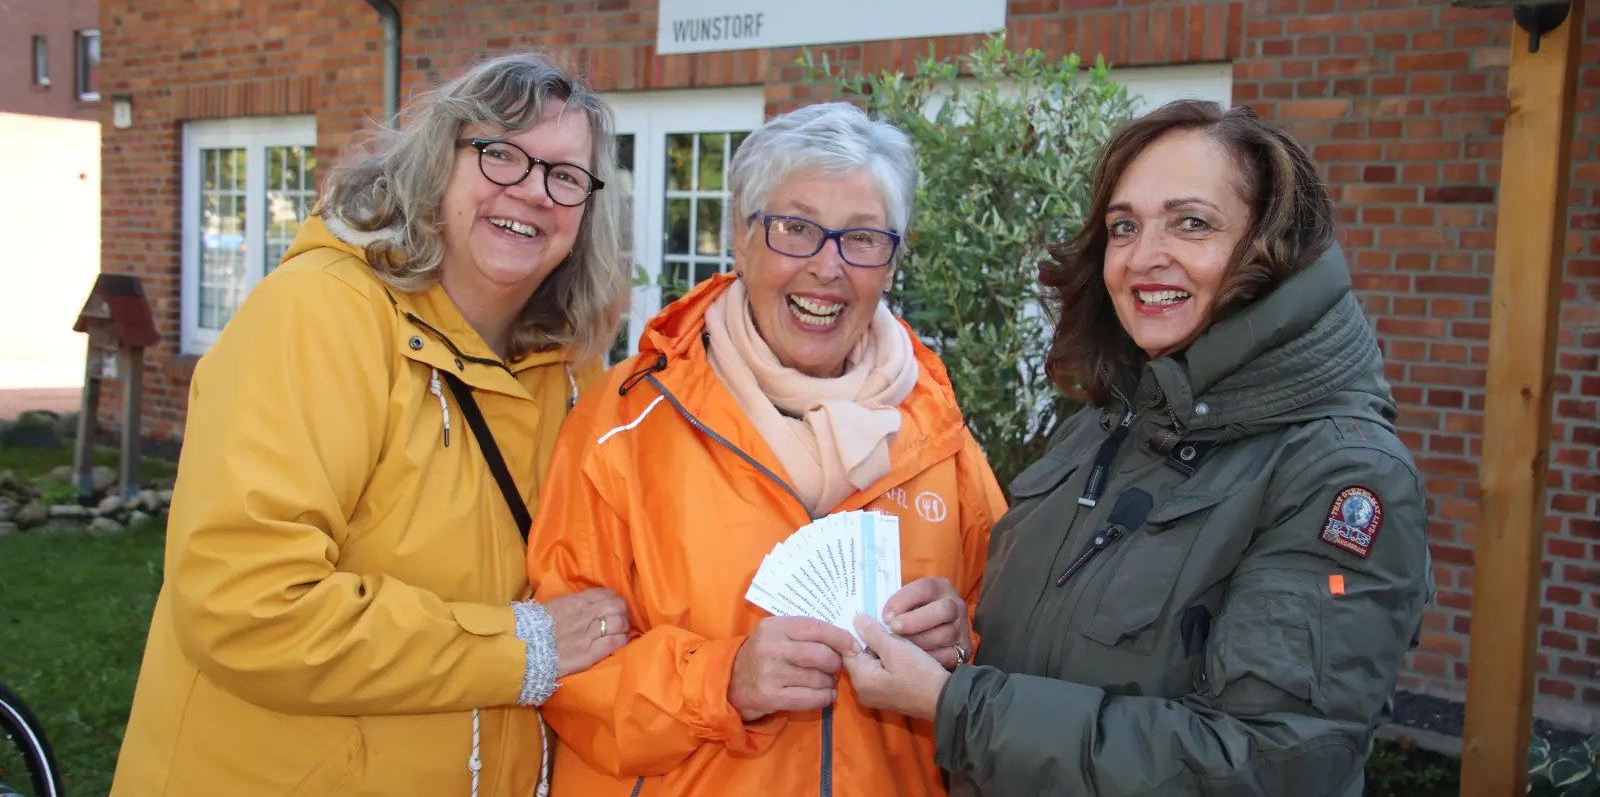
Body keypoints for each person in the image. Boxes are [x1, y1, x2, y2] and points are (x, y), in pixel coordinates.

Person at [841, 100, 1433, 796]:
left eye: (1192, 223)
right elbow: (1059, 655)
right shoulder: (1106, 425)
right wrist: (957, 639)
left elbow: (1270, 765)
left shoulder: (1340, 475)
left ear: (1272, 247)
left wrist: (956, 706)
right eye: (1125, 227)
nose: (1144, 258)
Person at [111, 53, 634, 797]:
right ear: (435, 165)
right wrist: (520, 647)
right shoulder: (318, 317)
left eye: (565, 175)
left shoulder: (572, 372)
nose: (532, 191)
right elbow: (249, 604)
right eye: (499, 154)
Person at [525, 102, 1010, 795]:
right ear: (742, 241)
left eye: (864, 239)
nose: (827, 267)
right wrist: (725, 681)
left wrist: (960, 644)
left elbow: (1017, 660)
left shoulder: (941, 440)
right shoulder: (622, 426)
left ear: (893, 262)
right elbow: (567, 677)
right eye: (795, 230)